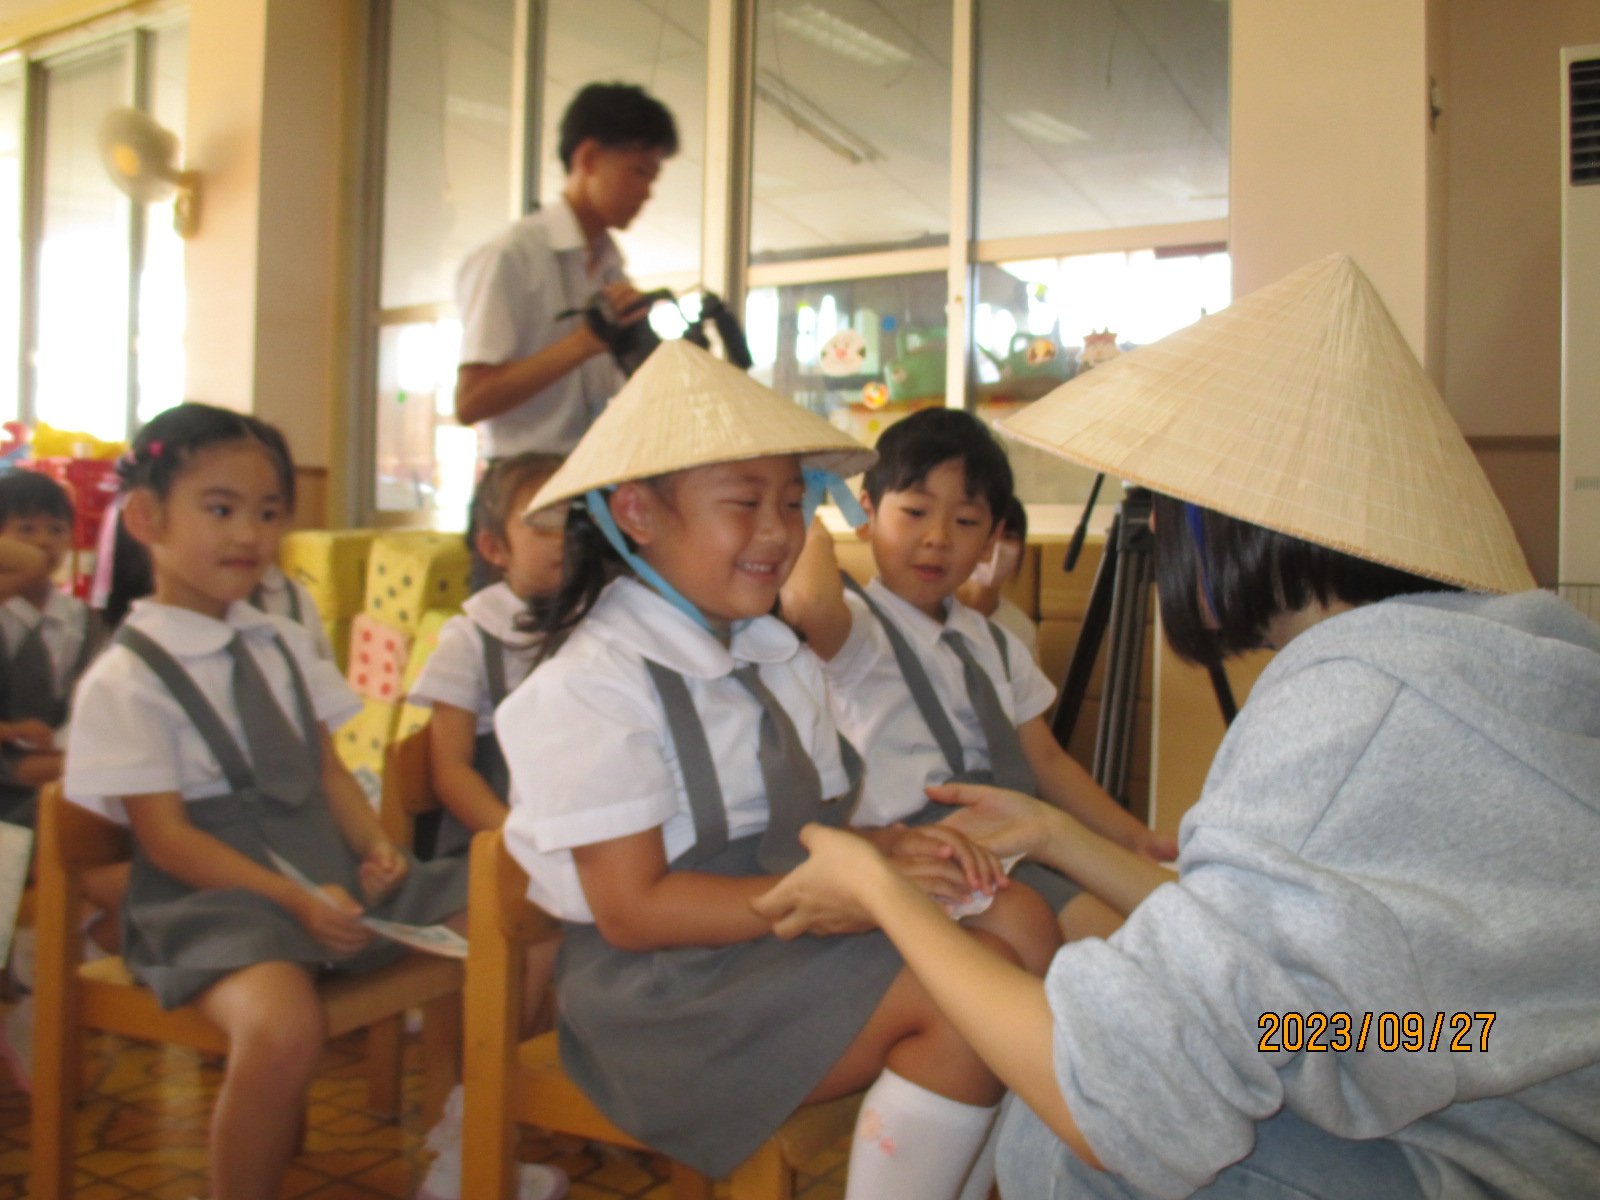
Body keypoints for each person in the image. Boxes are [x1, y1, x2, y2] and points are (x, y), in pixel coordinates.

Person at [753, 253, 1600, 1199]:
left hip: (1473, 1149)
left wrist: (875, 884)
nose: (1150, 532)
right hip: (1453, 1040)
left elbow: (1116, 1103)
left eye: (1163, 505)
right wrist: (1064, 836)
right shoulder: (1501, 656)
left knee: (1068, 1142)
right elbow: (1322, 1000)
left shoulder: (1353, 712)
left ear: (1231, 518)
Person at [500, 340, 1017, 1199]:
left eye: (792, 500)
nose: (779, 532)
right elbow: (631, 912)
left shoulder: (775, 655)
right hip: (662, 1001)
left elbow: (801, 828)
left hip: (766, 944)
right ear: (636, 512)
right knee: (969, 1012)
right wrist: (842, 894)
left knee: (1022, 922)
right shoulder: (590, 687)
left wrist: (887, 849)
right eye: (745, 503)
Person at [58, 404, 507, 1200]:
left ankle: (465, 1141)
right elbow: (164, 841)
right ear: (148, 518)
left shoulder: (283, 643)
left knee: (508, 917)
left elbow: (329, 770)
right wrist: (292, 901)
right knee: (282, 1027)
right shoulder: (126, 680)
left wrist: (376, 845)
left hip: (322, 872)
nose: (248, 535)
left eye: (268, 514)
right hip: (210, 901)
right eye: (220, 509)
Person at [780, 406, 1174, 942]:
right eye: (915, 512)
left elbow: (1049, 762)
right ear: (866, 510)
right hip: (915, 849)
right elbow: (806, 601)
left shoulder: (996, 643)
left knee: (1129, 940)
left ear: (992, 538)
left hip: (1007, 841)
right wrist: (813, 519)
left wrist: (1135, 840)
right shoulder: (858, 631)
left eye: (966, 522)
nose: (938, 537)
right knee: (1034, 938)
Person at [453, 81, 678, 461]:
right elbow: (471, 401)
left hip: (590, 477)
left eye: (653, 178)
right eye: (638, 172)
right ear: (588, 158)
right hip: (521, 484)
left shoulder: (611, 264)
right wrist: (586, 341)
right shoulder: (511, 256)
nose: (647, 192)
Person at [0, 470, 104, 826]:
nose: (44, 542)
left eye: (56, 530)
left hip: (58, 751)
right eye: (27, 530)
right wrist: (10, 731)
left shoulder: (81, 619)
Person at [956, 494, 1039, 662]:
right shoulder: (931, 609)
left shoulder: (1020, 628)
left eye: (1009, 537)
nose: (997, 547)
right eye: (989, 535)